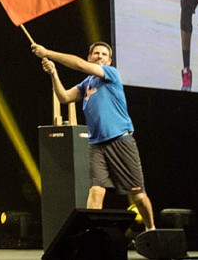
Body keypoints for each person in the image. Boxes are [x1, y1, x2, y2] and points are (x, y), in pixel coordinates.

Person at [32, 42, 155, 231]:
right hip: (96, 144)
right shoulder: (86, 84)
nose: (99, 56)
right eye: (96, 53)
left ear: (109, 60)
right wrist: (53, 73)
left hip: (120, 140)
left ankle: (151, 230)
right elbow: (64, 97)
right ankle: (92, 235)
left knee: (138, 196)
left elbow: (80, 65)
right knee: (96, 191)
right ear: (90, 57)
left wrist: (48, 52)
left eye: (104, 54)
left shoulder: (111, 73)